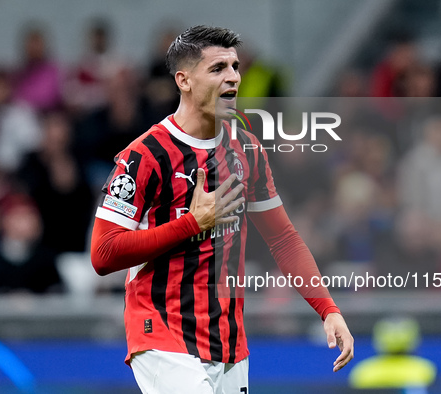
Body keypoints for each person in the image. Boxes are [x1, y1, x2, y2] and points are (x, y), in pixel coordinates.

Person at [90, 25, 353, 393]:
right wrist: (191, 224)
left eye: (235, 66)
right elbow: (103, 254)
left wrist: (328, 309)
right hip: (163, 333)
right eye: (217, 69)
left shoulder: (246, 149)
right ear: (184, 80)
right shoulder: (144, 156)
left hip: (228, 342)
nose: (232, 77)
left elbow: (283, 239)